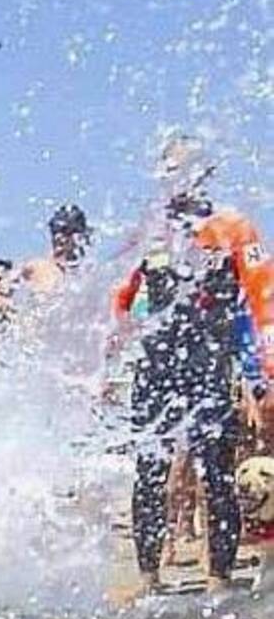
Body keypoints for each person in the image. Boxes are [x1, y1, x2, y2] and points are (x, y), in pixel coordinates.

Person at [112, 187, 259, 595]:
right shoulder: (153, 237)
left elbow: (261, 293)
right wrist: (122, 338)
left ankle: (219, 578)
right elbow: (119, 297)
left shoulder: (232, 227)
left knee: (217, 474)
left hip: (210, 367)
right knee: (149, 473)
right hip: (157, 370)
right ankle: (148, 577)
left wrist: (257, 371)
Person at [21, 204, 92, 295]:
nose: (58, 236)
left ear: (79, 236)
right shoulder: (36, 267)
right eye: (54, 230)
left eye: (65, 230)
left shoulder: (89, 275)